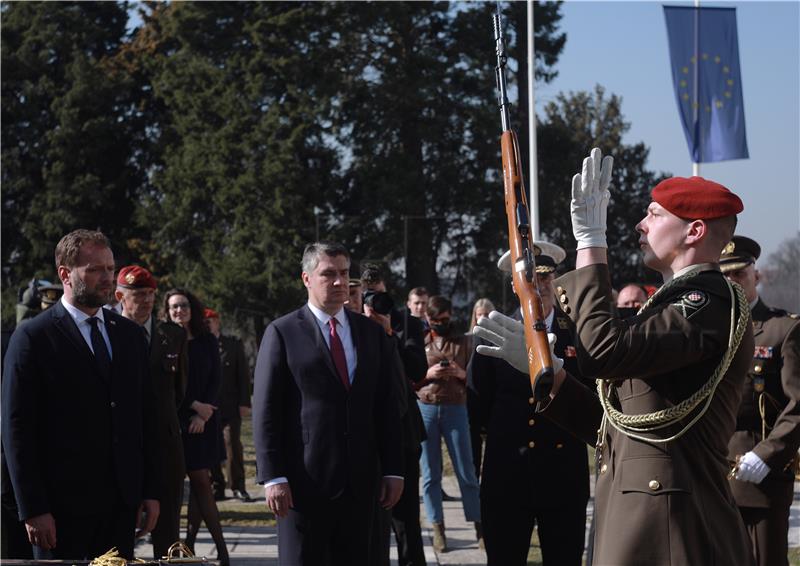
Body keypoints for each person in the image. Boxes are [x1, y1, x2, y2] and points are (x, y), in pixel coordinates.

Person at [474, 148, 755, 565]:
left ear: (694, 231)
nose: (641, 224)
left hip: (673, 527)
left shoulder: (705, 301)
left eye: (655, 215)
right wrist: (545, 369)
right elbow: (616, 428)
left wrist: (591, 244)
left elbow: (603, 352)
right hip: (645, 516)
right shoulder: (668, 305)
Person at [2, 229, 160, 560]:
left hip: (120, 507)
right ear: (65, 274)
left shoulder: (130, 337)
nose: (108, 279)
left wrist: (149, 491)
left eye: (110, 268)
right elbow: (16, 430)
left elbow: (145, 419)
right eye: (95, 269)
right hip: (59, 512)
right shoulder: (34, 338)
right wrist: (33, 507)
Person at [253, 241, 403, 566]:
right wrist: (273, 476)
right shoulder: (282, 332)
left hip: (362, 486)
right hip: (303, 486)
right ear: (307, 278)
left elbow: (389, 406)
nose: (339, 282)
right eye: (328, 274)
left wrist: (394, 469)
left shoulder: (372, 334)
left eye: (345, 274)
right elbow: (266, 410)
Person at [469, 243, 591, 566]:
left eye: (547, 276)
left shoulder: (579, 334)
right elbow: (476, 408)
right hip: (507, 477)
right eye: (530, 278)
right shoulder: (492, 334)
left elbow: (594, 399)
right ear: (514, 284)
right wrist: (472, 467)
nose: (541, 286)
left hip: (563, 477)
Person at [720, 235, 800, 566]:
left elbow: (798, 405)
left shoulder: (782, 329)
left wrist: (766, 455)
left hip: (758, 469)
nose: (731, 281)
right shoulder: (707, 328)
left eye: (738, 273)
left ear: (757, 275)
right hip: (710, 468)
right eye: (724, 275)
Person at [115, 265, 188, 559]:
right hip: (122, 446)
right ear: (120, 296)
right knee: (119, 536)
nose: (146, 300)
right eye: (138, 294)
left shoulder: (173, 335)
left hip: (165, 447)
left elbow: (180, 391)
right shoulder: (107, 333)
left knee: (167, 533)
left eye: (150, 294)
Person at [360, 265, 428, 566]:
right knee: (367, 522)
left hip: (403, 433)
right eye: (368, 295)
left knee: (406, 519)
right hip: (363, 437)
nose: (375, 301)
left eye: (380, 293)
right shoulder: (348, 324)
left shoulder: (406, 322)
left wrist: (389, 332)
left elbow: (417, 370)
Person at [163, 289, 228, 566]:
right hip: (176, 421)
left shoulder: (206, 340)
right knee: (183, 487)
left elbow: (217, 379)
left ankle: (219, 550)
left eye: (184, 305)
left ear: (193, 308)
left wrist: (204, 413)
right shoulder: (164, 340)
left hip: (204, 423)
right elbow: (167, 386)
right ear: (167, 311)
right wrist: (193, 406)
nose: (180, 310)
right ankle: (185, 546)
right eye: (174, 307)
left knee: (202, 482)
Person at [416, 295, 482, 553]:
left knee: (466, 471)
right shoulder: (420, 341)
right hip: (426, 407)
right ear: (427, 319)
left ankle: (479, 526)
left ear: (451, 315)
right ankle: (437, 528)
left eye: (444, 319)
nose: (440, 324)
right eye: (435, 320)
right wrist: (427, 375)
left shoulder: (465, 341)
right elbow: (408, 378)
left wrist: (460, 373)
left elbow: (476, 379)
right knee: (430, 475)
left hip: (456, 406)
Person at [204, 308, 252, 502]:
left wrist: (244, 402)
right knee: (212, 447)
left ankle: (238, 486)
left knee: (233, 444)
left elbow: (243, 376)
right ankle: (217, 486)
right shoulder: (199, 345)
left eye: (211, 321)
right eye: (204, 321)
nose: (208, 324)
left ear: (218, 322)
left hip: (231, 405)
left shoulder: (232, 344)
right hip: (208, 408)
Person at [465, 297, 495, 482]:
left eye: (486, 314)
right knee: (473, 450)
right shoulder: (467, 340)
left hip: (493, 399)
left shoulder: (499, 339)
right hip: (472, 400)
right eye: (479, 314)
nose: (483, 318)